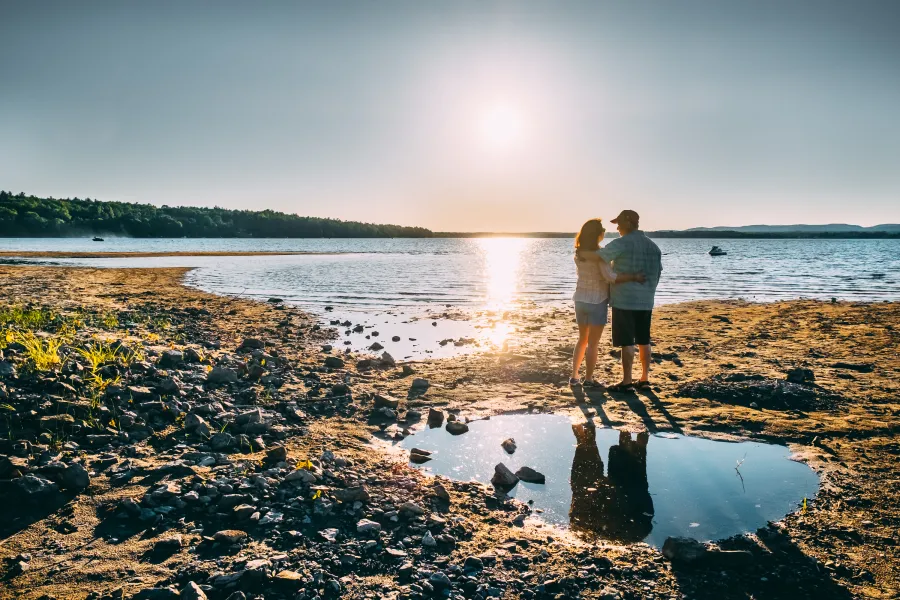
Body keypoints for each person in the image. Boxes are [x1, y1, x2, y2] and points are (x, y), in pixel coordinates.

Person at [581, 210, 662, 391]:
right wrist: (649, 291)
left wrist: (582, 252)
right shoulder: (653, 247)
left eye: (618, 223)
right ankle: (644, 379)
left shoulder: (622, 243)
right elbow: (658, 273)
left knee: (627, 341)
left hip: (625, 300)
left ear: (627, 223)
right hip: (646, 300)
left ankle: (626, 382)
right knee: (644, 339)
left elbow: (600, 256)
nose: (616, 227)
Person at [571, 218, 645, 387]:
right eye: (602, 229)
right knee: (593, 343)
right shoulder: (601, 255)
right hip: (597, 301)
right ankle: (588, 379)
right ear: (598, 234)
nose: (604, 231)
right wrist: (634, 277)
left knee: (582, 340)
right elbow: (610, 277)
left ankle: (574, 376)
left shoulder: (579, 253)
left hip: (580, 299)